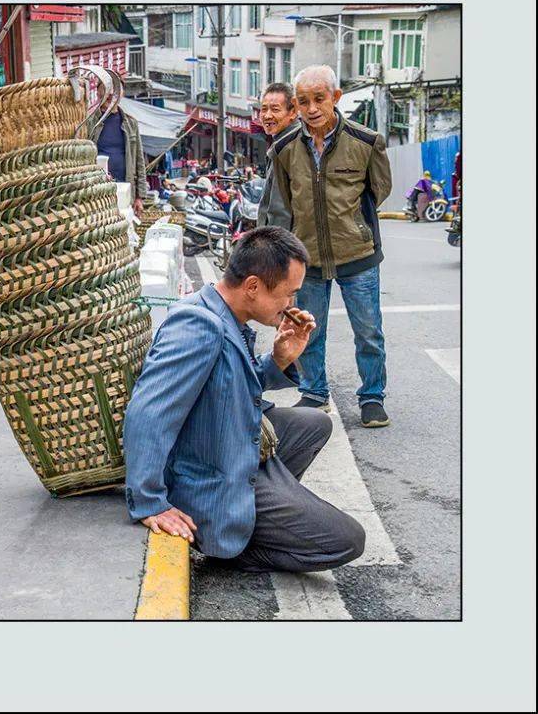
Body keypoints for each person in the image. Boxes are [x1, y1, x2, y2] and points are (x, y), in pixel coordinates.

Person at [123, 227, 365, 573]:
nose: (290, 306)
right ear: (252, 286)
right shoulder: (198, 325)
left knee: (315, 423)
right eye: (287, 294)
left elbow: (231, 385)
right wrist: (149, 502)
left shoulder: (225, 312)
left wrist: (280, 359)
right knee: (347, 539)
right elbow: (148, 414)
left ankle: (258, 504)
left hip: (228, 442)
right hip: (208, 469)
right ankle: (231, 544)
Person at [270, 65, 393, 427]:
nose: (311, 108)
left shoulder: (366, 142)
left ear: (336, 98)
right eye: (303, 101)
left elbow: (378, 189)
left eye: (319, 99)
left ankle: (372, 396)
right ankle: (314, 391)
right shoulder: (284, 148)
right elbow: (283, 206)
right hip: (307, 258)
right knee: (309, 328)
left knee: (368, 330)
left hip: (357, 254)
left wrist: (352, 221)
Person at [86, 103, 149, 216]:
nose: (111, 94)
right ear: (99, 90)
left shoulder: (130, 123)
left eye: (116, 89)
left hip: (125, 189)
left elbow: (139, 161)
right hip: (98, 191)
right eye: (107, 88)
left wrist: (140, 197)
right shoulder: (90, 122)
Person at [256, 82, 300, 229]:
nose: (267, 116)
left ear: (292, 112)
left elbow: (279, 210)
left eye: (275, 109)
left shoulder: (288, 146)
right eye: (263, 109)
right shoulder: (282, 141)